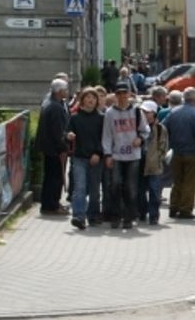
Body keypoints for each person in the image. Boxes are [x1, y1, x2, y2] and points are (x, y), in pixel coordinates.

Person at [102, 81, 150, 230]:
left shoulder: (136, 111)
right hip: (116, 155)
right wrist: (108, 154)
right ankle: (116, 216)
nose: (122, 96)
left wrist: (140, 139)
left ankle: (128, 216)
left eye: (125, 93)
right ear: (115, 96)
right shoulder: (110, 113)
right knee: (115, 184)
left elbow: (145, 130)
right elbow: (107, 135)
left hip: (133, 155)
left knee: (131, 187)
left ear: (129, 94)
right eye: (119, 94)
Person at [162, 88, 195, 220]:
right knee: (190, 182)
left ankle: (173, 207)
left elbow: (163, 127)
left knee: (177, 181)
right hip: (192, 152)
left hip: (176, 152)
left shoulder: (173, 112)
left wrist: (170, 142)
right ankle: (185, 210)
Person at [65, 87, 104, 229]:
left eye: (93, 98)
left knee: (94, 189)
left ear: (97, 101)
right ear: (82, 100)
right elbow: (67, 132)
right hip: (79, 157)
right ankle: (79, 216)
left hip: (95, 158)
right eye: (88, 97)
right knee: (80, 187)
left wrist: (98, 153)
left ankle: (93, 215)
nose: (91, 100)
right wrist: (69, 135)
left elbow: (104, 139)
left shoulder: (101, 118)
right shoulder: (75, 118)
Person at [36, 78, 71, 215]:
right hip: (54, 149)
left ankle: (47, 204)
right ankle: (52, 205)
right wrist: (63, 147)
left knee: (49, 176)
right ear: (60, 91)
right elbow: (57, 131)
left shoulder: (48, 102)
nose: (67, 92)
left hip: (48, 147)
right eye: (65, 90)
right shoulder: (56, 107)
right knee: (56, 178)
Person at [139, 100, 168, 225]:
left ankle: (154, 215)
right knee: (139, 191)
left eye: (147, 112)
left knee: (154, 191)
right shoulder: (137, 127)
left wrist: (158, 157)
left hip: (154, 165)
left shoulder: (161, 129)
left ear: (154, 113)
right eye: (143, 111)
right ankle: (142, 212)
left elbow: (164, 146)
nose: (145, 114)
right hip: (139, 163)